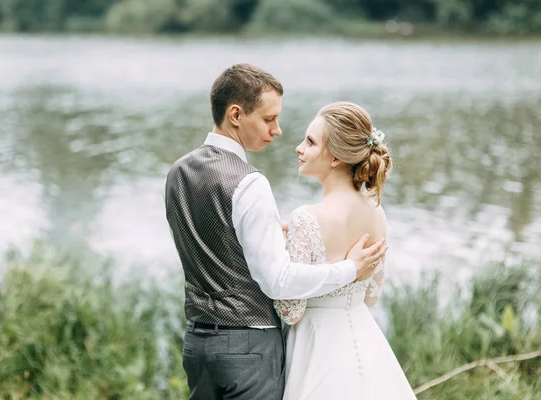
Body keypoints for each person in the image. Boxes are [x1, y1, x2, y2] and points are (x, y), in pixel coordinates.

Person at [164, 64, 387, 400]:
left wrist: (273, 238)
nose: (278, 130)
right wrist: (350, 269)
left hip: (197, 344)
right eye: (269, 119)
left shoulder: (178, 172)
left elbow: (213, 245)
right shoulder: (248, 182)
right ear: (236, 115)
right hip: (250, 348)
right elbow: (278, 282)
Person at [274, 102, 416, 400]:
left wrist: (280, 252)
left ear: (336, 157)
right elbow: (371, 295)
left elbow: (291, 311)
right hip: (364, 339)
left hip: (316, 347)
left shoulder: (306, 218)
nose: (299, 148)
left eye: (310, 142)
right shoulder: (377, 213)